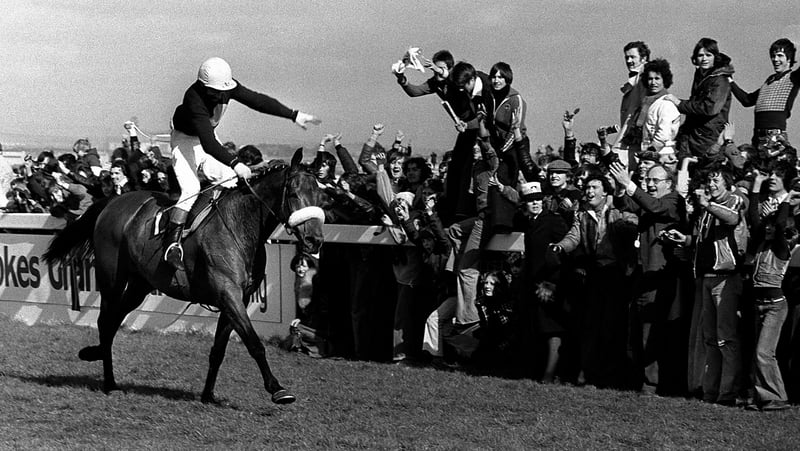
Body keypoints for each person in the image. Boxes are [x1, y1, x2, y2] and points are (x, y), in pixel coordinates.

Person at [165, 57, 320, 269]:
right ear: (203, 86)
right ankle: (172, 245)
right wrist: (235, 162)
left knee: (229, 182)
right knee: (191, 189)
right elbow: (209, 144)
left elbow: (257, 101)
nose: (221, 96)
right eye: (215, 92)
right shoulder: (194, 98)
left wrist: (293, 114)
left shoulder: (225, 86)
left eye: (223, 91)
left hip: (207, 137)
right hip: (184, 140)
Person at [665, 168, 745, 406]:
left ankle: (728, 392)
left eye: (716, 180)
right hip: (706, 277)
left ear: (726, 183)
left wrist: (708, 204)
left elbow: (732, 219)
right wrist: (686, 241)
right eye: (708, 181)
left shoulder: (734, 200)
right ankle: (711, 391)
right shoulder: (705, 209)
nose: (711, 185)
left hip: (725, 277)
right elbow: (704, 240)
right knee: (710, 338)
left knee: (726, 338)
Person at [610, 162, 685, 394]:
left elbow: (654, 207)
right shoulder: (649, 200)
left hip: (661, 277)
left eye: (655, 181)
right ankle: (642, 379)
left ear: (669, 183)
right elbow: (625, 203)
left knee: (653, 332)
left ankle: (653, 384)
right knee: (639, 329)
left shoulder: (674, 201)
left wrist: (630, 185)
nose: (650, 185)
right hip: (643, 274)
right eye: (648, 180)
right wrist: (620, 188)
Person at [667, 38, 734, 161]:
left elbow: (710, 108)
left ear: (715, 57)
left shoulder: (720, 80)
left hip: (709, 139)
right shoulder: (702, 76)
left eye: (708, 55)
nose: (704, 59)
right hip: (694, 136)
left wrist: (680, 104)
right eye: (700, 55)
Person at [730, 39, 800, 147]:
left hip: (774, 138)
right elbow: (747, 100)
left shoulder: (793, 77)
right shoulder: (768, 82)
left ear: (789, 58)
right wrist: (730, 81)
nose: (775, 59)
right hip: (758, 137)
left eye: (780, 55)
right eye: (773, 56)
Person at [620, 41, 651, 133]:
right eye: (627, 58)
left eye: (632, 57)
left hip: (638, 134)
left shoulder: (645, 78)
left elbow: (646, 105)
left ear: (643, 58)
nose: (629, 61)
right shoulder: (635, 79)